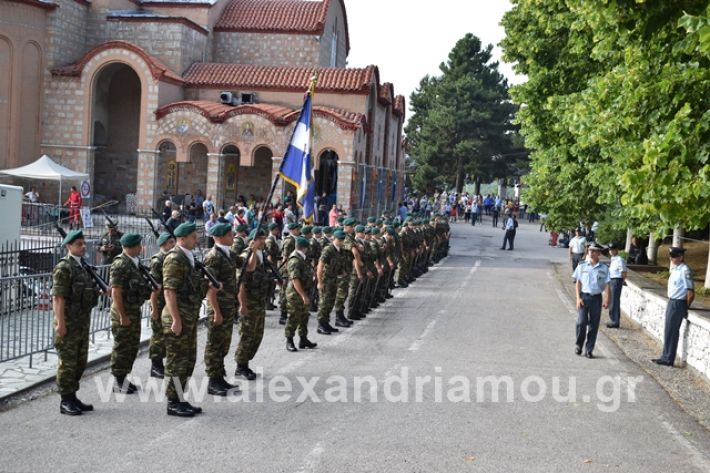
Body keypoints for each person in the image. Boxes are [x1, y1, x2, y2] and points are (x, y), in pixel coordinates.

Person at [162, 222, 210, 417]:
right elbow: (169, 291)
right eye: (192, 236)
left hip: (188, 315)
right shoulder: (174, 259)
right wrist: (176, 319)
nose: (196, 239)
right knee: (177, 361)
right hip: (178, 317)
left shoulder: (188, 257)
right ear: (182, 239)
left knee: (188, 360)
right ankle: (173, 402)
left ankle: (180, 398)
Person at [52, 230, 101, 415]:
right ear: (68, 246)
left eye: (83, 243)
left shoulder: (82, 266)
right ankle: (65, 400)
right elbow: (58, 298)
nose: (82, 246)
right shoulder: (64, 267)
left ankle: (73, 396)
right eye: (78, 244)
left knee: (80, 361)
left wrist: (100, 292)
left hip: (82, 322)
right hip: (69, 323)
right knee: (68, 362)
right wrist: (60, 323)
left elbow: (85, 293)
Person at [109, 234, 154, 393]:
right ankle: (118, 381)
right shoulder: (121, 264)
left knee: (131, 346)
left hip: (133, 310)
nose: (141, 248)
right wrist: (122, 316)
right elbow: (116, 292)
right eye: (139, 245)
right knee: (122, 346)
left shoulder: (134, 263)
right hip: (123, 312)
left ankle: (123, 377)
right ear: (131, 247)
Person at [203, 222, 238, 396]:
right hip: (218, 307)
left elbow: (249, 266)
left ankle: (219, 377)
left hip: (228, 305)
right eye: (230, 234)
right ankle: (212, 381)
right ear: (221, 237)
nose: (233, 237)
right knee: (214, 344)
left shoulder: (229, 254)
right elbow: (210, 287)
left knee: (223, 344)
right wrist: (215, 311)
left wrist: (253, 249)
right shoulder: (213, 257)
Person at [235, 227, 269, 380]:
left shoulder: (262, 255)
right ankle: (240, 367)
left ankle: (245, 363)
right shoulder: (246, 256)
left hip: (259, 302)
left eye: (264, 238)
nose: (263, 241)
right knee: (247, 335)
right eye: (260, 239)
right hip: (249, 303)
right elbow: (241, 283)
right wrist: (242, 304)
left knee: (257, 335)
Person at [652, 247, 695, 367]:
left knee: (672, 331)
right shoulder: (676, 269)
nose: (671, 258)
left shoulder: (684, 271)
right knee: (668, 330)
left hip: (678, 303)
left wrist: (685, 307)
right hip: (672, 301)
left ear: (681, 257)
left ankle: (669, 358)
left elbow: (690, 293)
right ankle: (665, 356)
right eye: (671, 256)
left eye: (674, 256)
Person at [572, 243, 610, 359]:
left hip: (596, 298)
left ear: (599, 253)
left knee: (594, 325)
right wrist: (578, 298)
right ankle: (579, 345)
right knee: (581, 322)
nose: (591, 253)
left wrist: (607, 299)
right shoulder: (582, 266)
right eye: (590, 251)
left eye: (594, 251)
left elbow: (607, 285)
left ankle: (589, 349)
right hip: (584, 297)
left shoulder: (604, 268)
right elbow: (578, 283)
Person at [148, 232, 174, 378]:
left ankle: (160, 364)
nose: (173, 245)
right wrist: (154, 308)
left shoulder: (169, 258)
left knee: (164, 335)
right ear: (163, 244)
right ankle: (156, 366)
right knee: (158, 336)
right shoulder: (158, 260)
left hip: (166, 302)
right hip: (159, 302)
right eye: (170, 242)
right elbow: (154, 287)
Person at [285, 236, 317, 352]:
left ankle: (303, 339)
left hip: (304, 291)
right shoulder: (295, 260)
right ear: (305, 248)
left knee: (304, 316)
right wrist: (303, 295)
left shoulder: (302, 258)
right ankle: (289, 340)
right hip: (296, 294)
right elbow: (295, 279)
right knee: (293, 317)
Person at [317, 230, 346, 334]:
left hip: (334, 279)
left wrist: (341, 271)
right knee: (324, 302)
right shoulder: (328, 250)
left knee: (331, 302)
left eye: (343, 240)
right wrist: (320, 282)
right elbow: (320, 266)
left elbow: (340, 263)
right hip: (326, 280)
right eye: (339, 240)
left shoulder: (340, 250)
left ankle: (326, 323)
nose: (341, 241)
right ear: (334, 238)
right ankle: (320, 324)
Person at [606, 242, 627, 329]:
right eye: (610, 250)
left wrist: (622, 281)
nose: (611, 251)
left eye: (613, 250)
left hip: (617, 280)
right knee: (612, 300)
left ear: (616, 250)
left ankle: (615, 321)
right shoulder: (613, 259)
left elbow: (623, 272)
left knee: (614, 301)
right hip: (612, 280)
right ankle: (613, 319)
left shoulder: (619, 259)